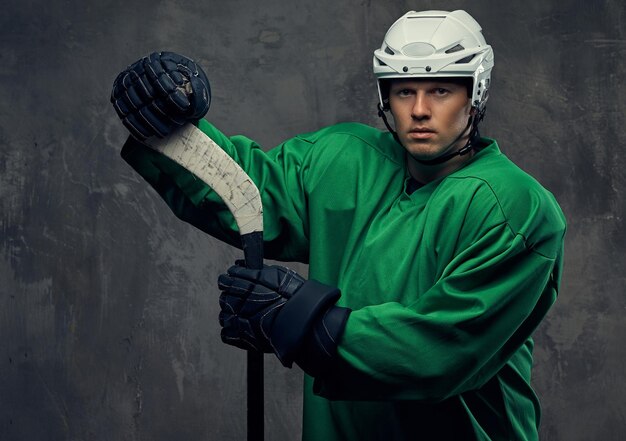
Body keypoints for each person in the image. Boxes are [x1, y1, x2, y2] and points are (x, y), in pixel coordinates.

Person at [111, 10, 566, 441]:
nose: (420, 110)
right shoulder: (344, 160)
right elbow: (245, 191)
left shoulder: (514, 207)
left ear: (475, 94)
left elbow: (442, 348)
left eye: (442, 90)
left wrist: (303, 321)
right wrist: (165, 121)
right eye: (405, 91)